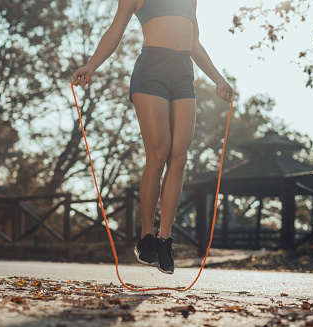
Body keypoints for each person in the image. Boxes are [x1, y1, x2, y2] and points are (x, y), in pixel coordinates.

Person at [71, 0, 233, 274]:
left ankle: (164, 239)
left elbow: (194, 43)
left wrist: (219, 79)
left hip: (183, 74)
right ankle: (146, 238)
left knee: (179, 156)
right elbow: (115, 32)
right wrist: (91, 66)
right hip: (151, 69)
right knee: (159, 153)